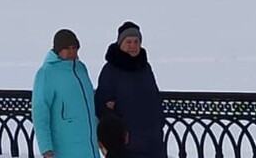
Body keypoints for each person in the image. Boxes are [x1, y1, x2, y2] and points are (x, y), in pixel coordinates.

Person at [95, 21, 166, 158]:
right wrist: (118, 135)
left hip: (153, 142)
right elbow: (102, 106)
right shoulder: (111, 70)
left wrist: (159, 123)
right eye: (128, 42)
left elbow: (154, 97)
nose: (133, 46)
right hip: (127, 146)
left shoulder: (145, 68)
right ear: (120, 43)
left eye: (136, 42)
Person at [33, 29, 99, 158]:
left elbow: (89, 104)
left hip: (89, 144)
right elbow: (40, 111)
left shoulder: (81, 69)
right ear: (58, 50)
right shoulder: (47, 72)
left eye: (74, 48)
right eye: (67, 48)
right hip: (64, 146)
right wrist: (46, 147)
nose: (71, 52)